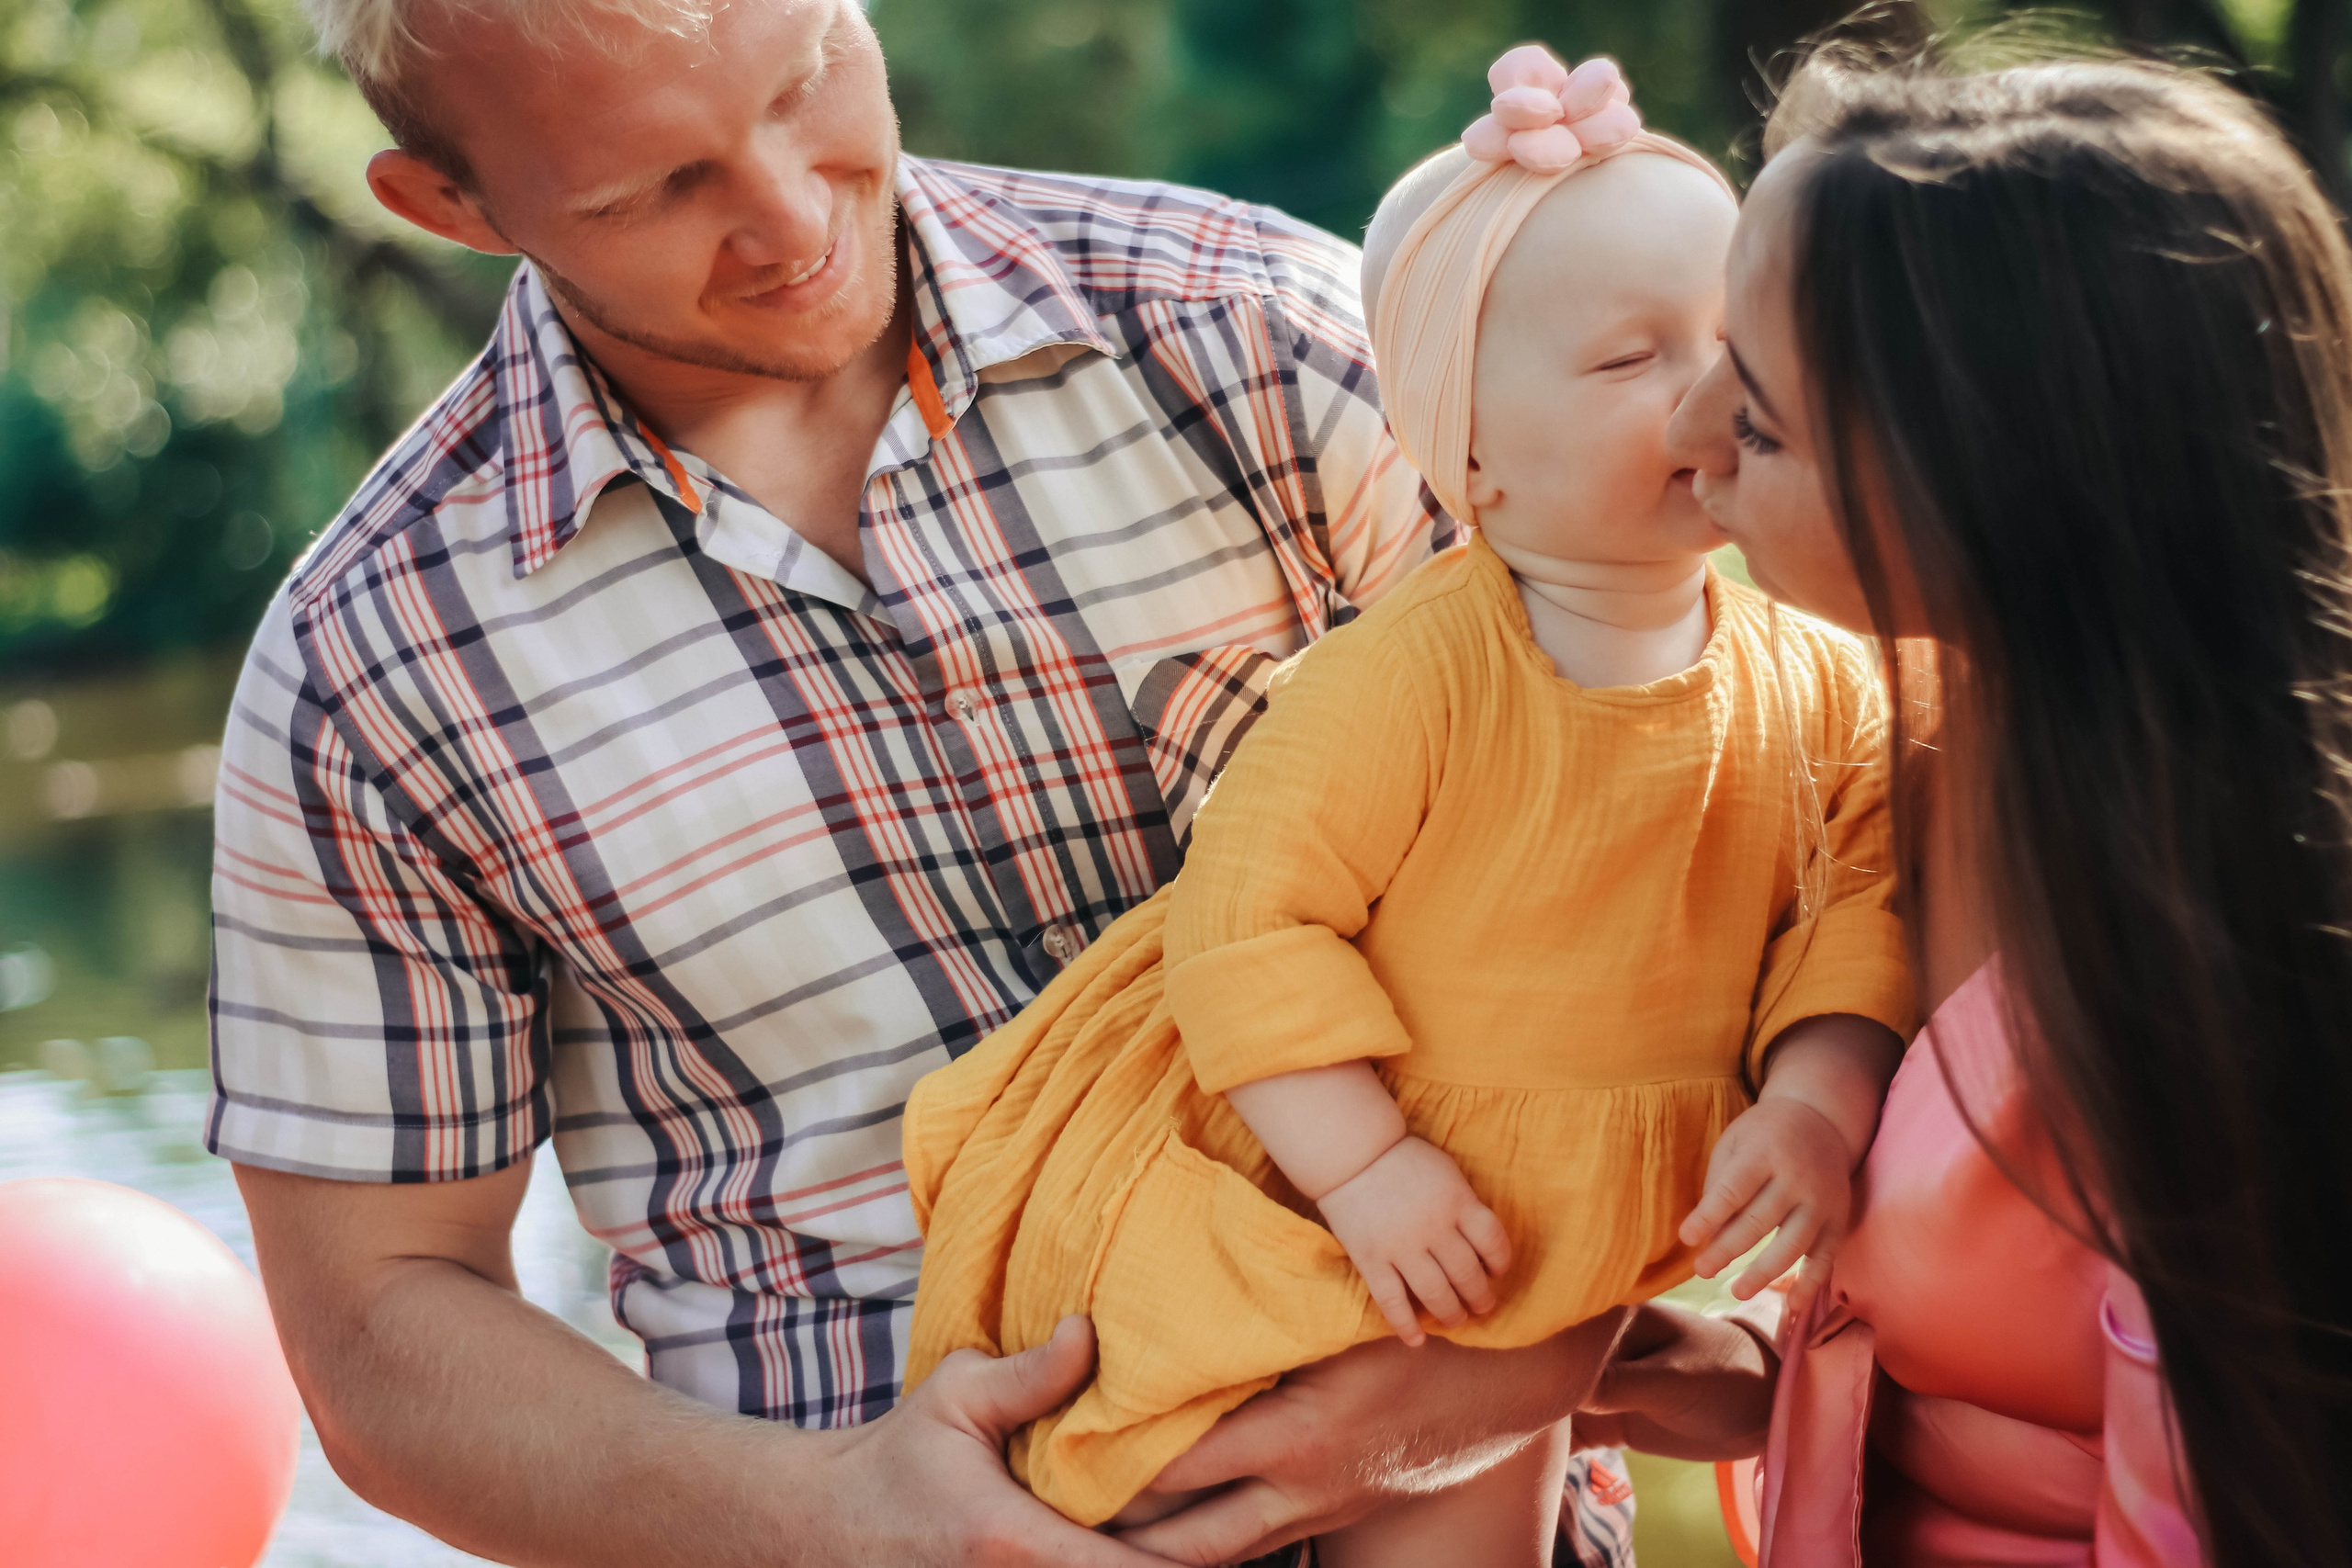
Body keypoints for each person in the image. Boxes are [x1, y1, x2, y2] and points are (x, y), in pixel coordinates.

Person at [204, 0, 1651, 1562]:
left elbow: (1686, 829)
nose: (792, 217)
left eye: (809, 81)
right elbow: (378, 1331)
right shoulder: (372, 668)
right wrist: (832, 1521)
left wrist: (1518, 1365)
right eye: (652, 191)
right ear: (453, 208)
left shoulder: (1270, 337)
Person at [900, 53, 1913, 1568]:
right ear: (1470, 453)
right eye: (1634, 362)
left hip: (1558, 1229)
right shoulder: (1415, 677)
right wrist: (1365, 1165)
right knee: (1183, 1480)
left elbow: (1855, 906)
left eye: (1732, 349)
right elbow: (1253, 922)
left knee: (1480, 1519)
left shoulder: (1813, 677)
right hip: (1347, 1189)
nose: (1708, 400)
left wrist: (1816, 1100)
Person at [1577, 33, 2352, 1568]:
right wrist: (1768, 1380)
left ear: (2009, 475)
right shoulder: (1892, 736)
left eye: (1768, 420)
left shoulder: (2249, 961)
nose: (1686, 437)